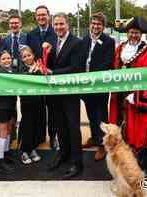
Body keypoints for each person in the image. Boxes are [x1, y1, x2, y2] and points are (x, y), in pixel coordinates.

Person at [109, 16, 147, 175]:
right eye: (131, 32)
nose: (134, 35)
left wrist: (136, 95)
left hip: (136, 98)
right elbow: (114, 69)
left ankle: (140, 163)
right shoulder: (119, 48)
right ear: (127, 33)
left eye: (137, 33)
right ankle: (121, 162)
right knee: (119, 127)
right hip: (119, 96)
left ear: (141, 34)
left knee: (139, 130)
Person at [43, 13, 83, 179]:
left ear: (68, 24)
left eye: (61, 24)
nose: (59, 27)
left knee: (73, 127)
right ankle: (63, 154)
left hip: (70, 93)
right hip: (55, 94)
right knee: (60, 126)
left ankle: (77, 162)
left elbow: (76, 68)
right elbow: (48, 62)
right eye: (56, 24)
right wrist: (45, 56)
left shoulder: (77, 43)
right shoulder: (52, 41)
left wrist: (52, 72)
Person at [80, 12, 115, 161]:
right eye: (93, 23)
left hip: (99, 85)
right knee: (90, 113)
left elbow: (107, 62)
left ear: (103, 26)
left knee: (101, 116)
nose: (95, 26)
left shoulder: (109, 41)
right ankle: (94, 137)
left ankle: (102, 145)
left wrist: (93, 77)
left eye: (99, 24)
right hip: (86, 85)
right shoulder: (85, 39)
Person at [27, 5, 58, 149]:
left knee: (53, 109)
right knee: (38, 108)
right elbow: (28, 55)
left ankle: (53, 137)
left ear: (48, 15)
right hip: (36, 77)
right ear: (35, 17)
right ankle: (39, 136)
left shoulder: (56, 32)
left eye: (43, 14)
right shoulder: (31, 34)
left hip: (52, 76)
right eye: (38, 15)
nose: (41, 17)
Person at [0, 50, 17, 173]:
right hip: (1, 107)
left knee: (8, 132)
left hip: (10, 107)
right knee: (3, 133)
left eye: (8, 58)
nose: (7, 60)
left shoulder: (12, 71)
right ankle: (0, 160)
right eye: (4, 59)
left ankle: (6, 154)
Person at [17, 46, 43, 165]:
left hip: (38, 101)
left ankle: (32, 148)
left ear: (33, 55)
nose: (27, 58)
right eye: (24, 56)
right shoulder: (21, 69)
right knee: (27, 125)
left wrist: (41, 71)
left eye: (29, 55)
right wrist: (30, 72)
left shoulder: (39, 66)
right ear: (22, 59)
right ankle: (24, 151)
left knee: (36, 124)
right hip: (26, 102)